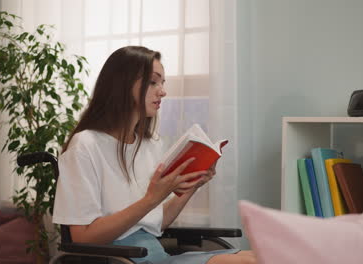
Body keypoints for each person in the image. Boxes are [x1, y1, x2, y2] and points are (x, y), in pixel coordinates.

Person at [52, 46, 256, 264]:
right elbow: (84, 238)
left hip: (156, 255)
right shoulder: (85, 145)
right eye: (152, 82)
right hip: (123, 259)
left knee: (262, 256)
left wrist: (190, 186)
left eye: (162, 83)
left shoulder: (150, 144)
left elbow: (157, 222)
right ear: (121, 84)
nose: (162, 91)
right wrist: (152, 198)